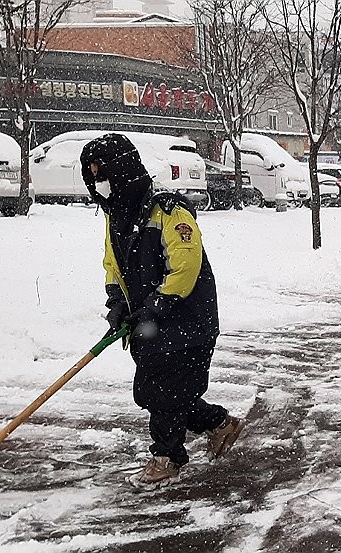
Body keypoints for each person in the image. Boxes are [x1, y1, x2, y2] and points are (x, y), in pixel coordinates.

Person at [81, 133, 246, 490]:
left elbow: (186, 266)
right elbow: (113, 263)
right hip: (151, 323)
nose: (98, 183)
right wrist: (118, 302)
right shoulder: (117, 216)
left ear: (120, 171)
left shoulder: (168, 211)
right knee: (164, 391)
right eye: (92, 176)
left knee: (161, 392)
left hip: (187, 320)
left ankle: (166, 459)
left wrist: (157, 305)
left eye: (101, 173)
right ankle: (220, 424)